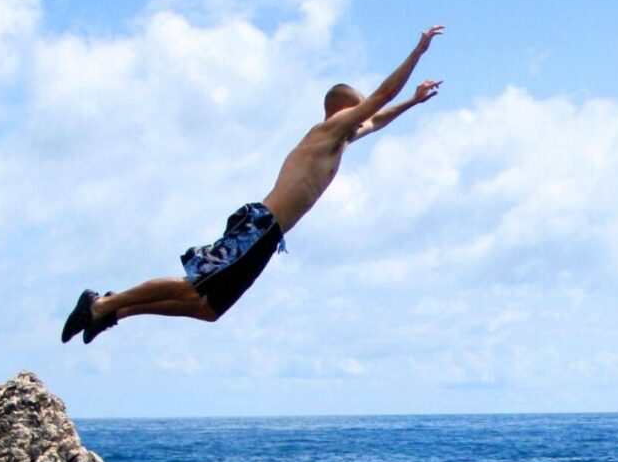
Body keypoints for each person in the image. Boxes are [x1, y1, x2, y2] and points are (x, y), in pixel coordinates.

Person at [61, 25, 444, 343]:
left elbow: (378, 118)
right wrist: (418, 51)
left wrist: (413, 102)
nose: (364, 119)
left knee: (208, 310)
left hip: (268, 236)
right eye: (358, 112)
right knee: (192, 286)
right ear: (343, 111)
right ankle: (98, 305)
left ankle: (114, 309)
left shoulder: (339, 142)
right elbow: (380, 97)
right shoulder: (327, 131)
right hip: (259, 225)